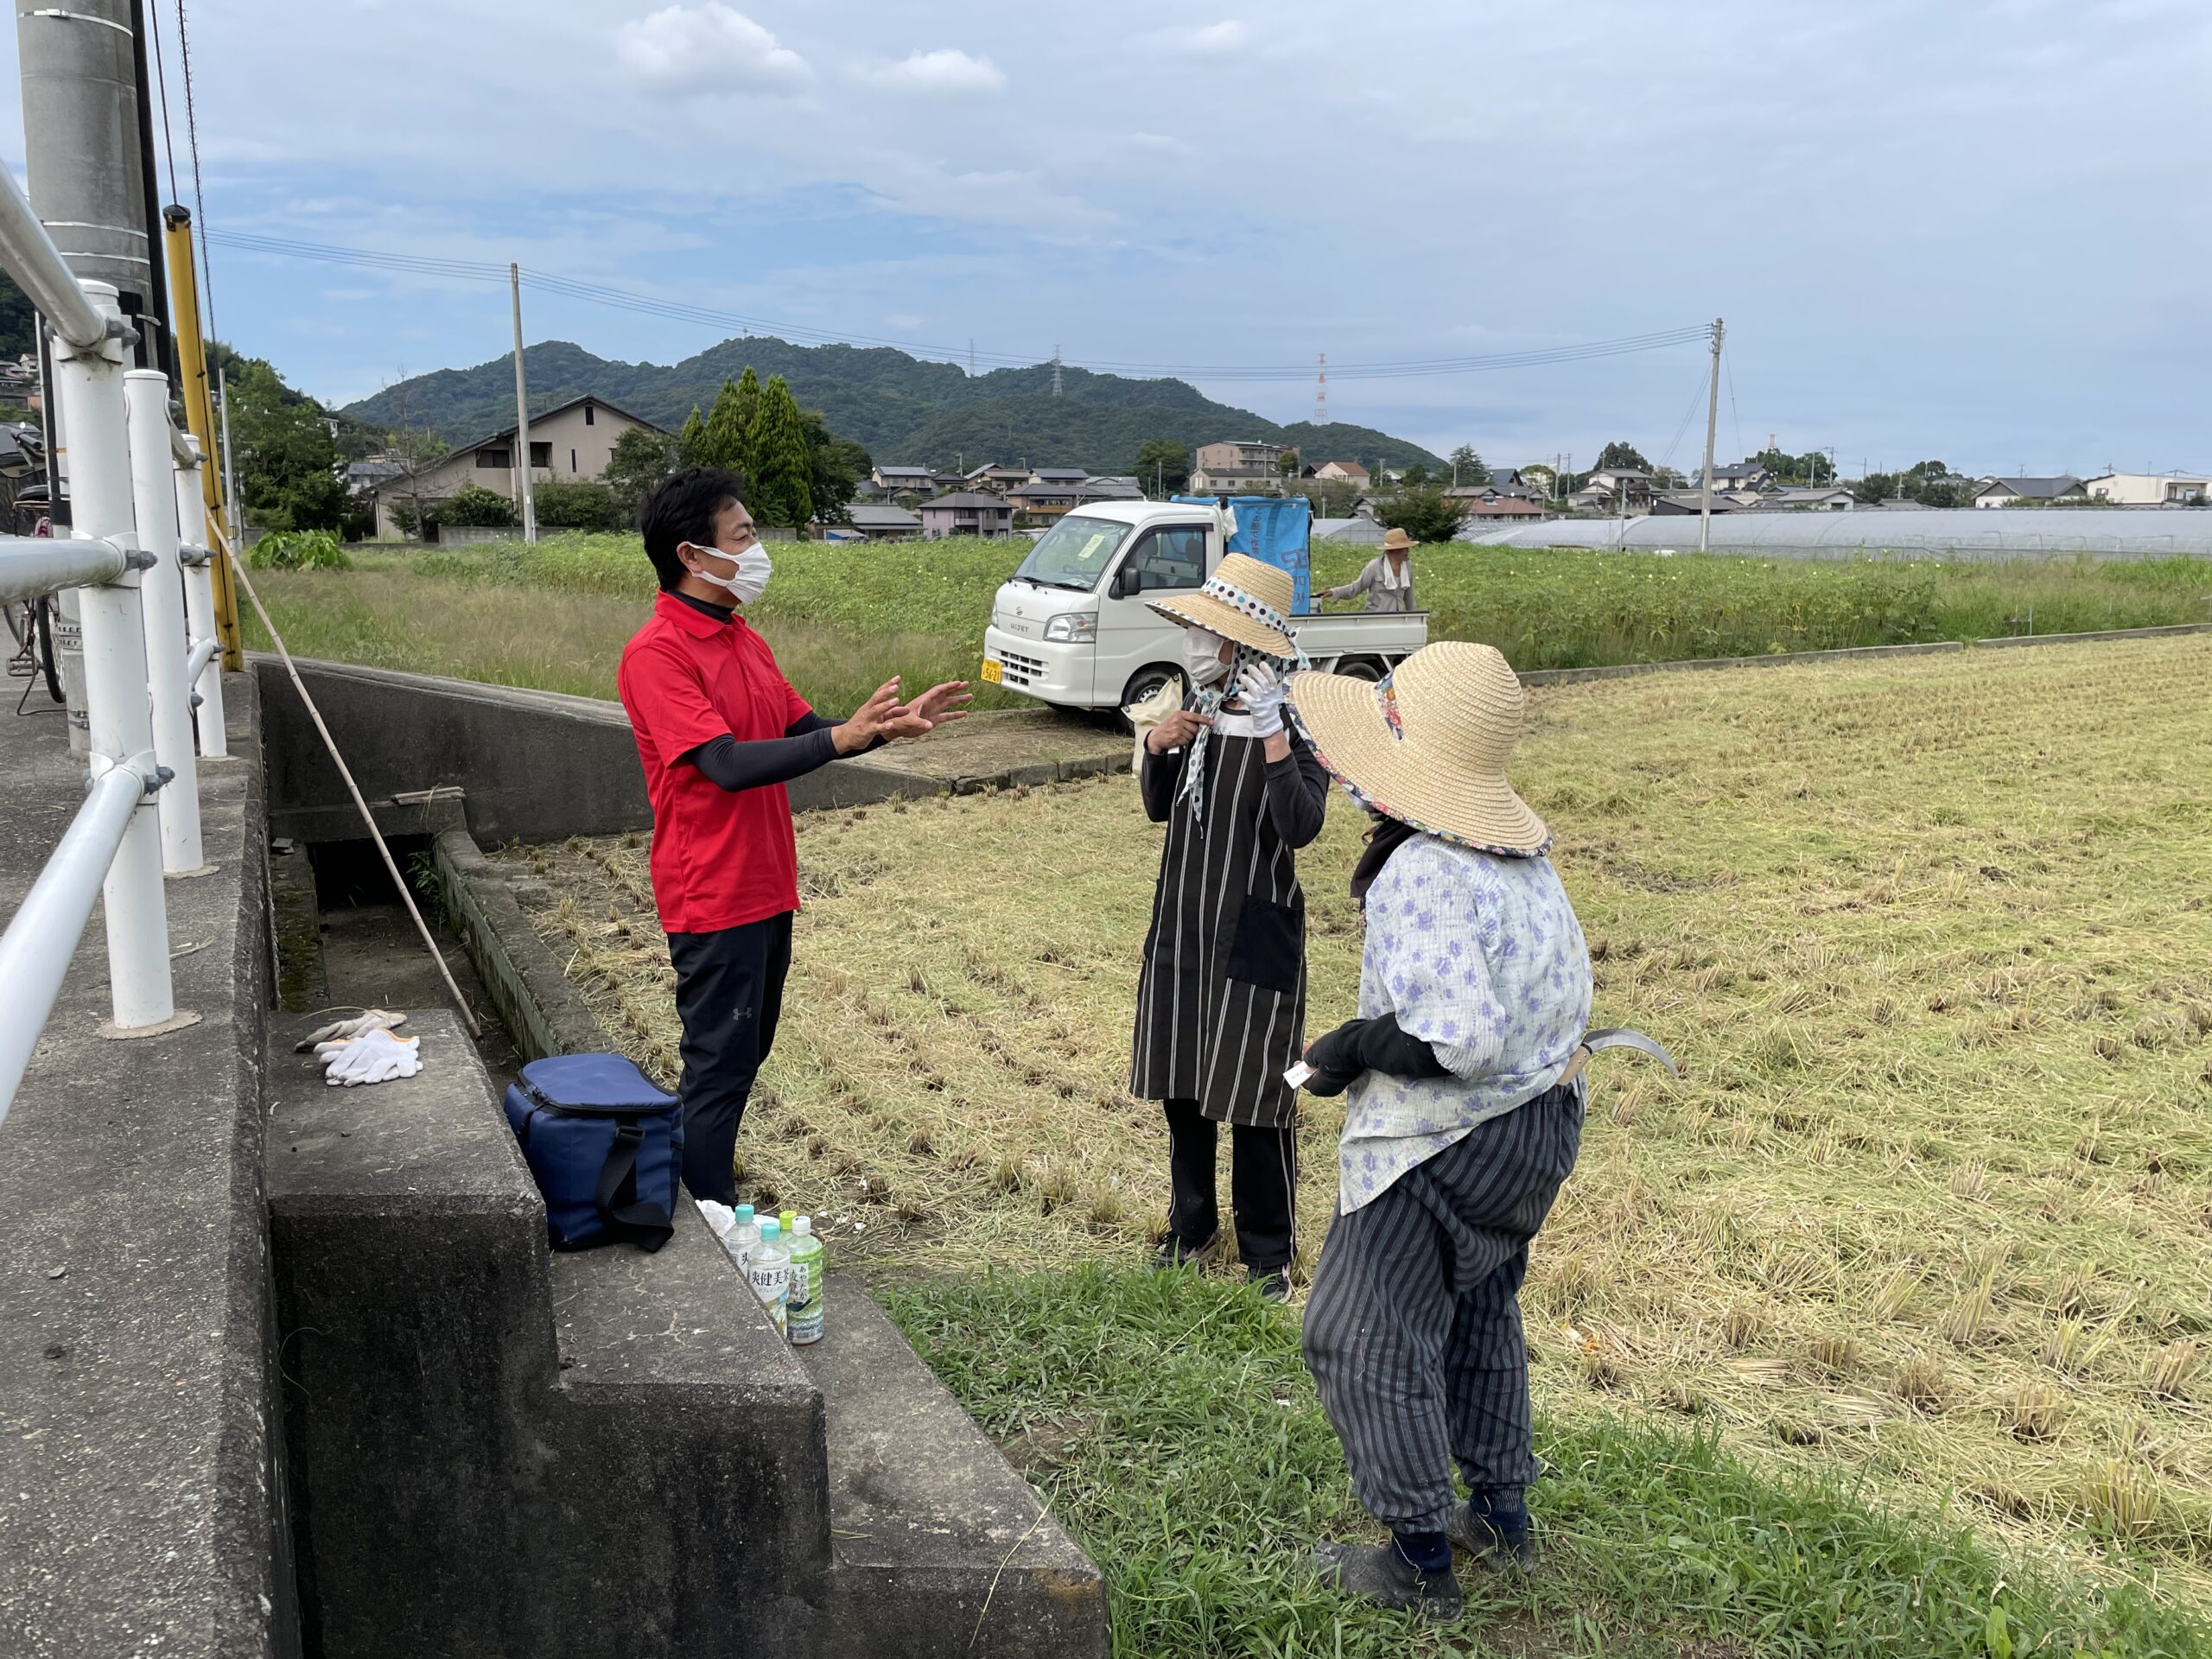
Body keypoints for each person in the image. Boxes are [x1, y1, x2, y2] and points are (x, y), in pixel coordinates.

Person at [1285, 640, 1593, 1621]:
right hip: (1537, 1130)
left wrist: (1351, 1041)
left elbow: (1454, 1039)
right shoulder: (1522, 859)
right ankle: (1500, 1514)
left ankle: (1417, 1564)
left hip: (1444, 1143)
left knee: (1364, 1333)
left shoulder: (1419, 869)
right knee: (1476, 1313)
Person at [617, 467, 969, 1205]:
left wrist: (881, 732)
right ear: (691, 555)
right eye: (742, 535)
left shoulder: (743, 638)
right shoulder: (658, 653)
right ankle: (707, 1226)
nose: (758, 548)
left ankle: (698, 1199)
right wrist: (842, 739)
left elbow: (806, 733)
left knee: (745, 1057)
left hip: (766, 884)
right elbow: (722, 764)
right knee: (717, 1066)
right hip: (711, 892)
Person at [1129, 552, 1329, 1303]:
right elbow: (1159, 808)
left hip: (1255, 931)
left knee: (1256, 1096)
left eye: (1204, 633)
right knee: (1184, 1084)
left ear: (1242, 645)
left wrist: (1275, 734)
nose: (1191, 644)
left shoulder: (1296, 724)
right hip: (1184, 920)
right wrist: (1157, 746)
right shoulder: (1193, 711)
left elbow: (1300, 826)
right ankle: (1190, 1228)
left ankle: (1268, 1255)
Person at [1322, 525, 1417, 613]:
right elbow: (1356, 587)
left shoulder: (1407, 566)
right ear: (1394, 550)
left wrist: (1414, 619)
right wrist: (1334, 592)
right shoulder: (1375, 566)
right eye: (1403, 548)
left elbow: (1409, 597)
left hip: (1398, 619)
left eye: (1407, 547)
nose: (1407, 550)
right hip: (1376, 619)